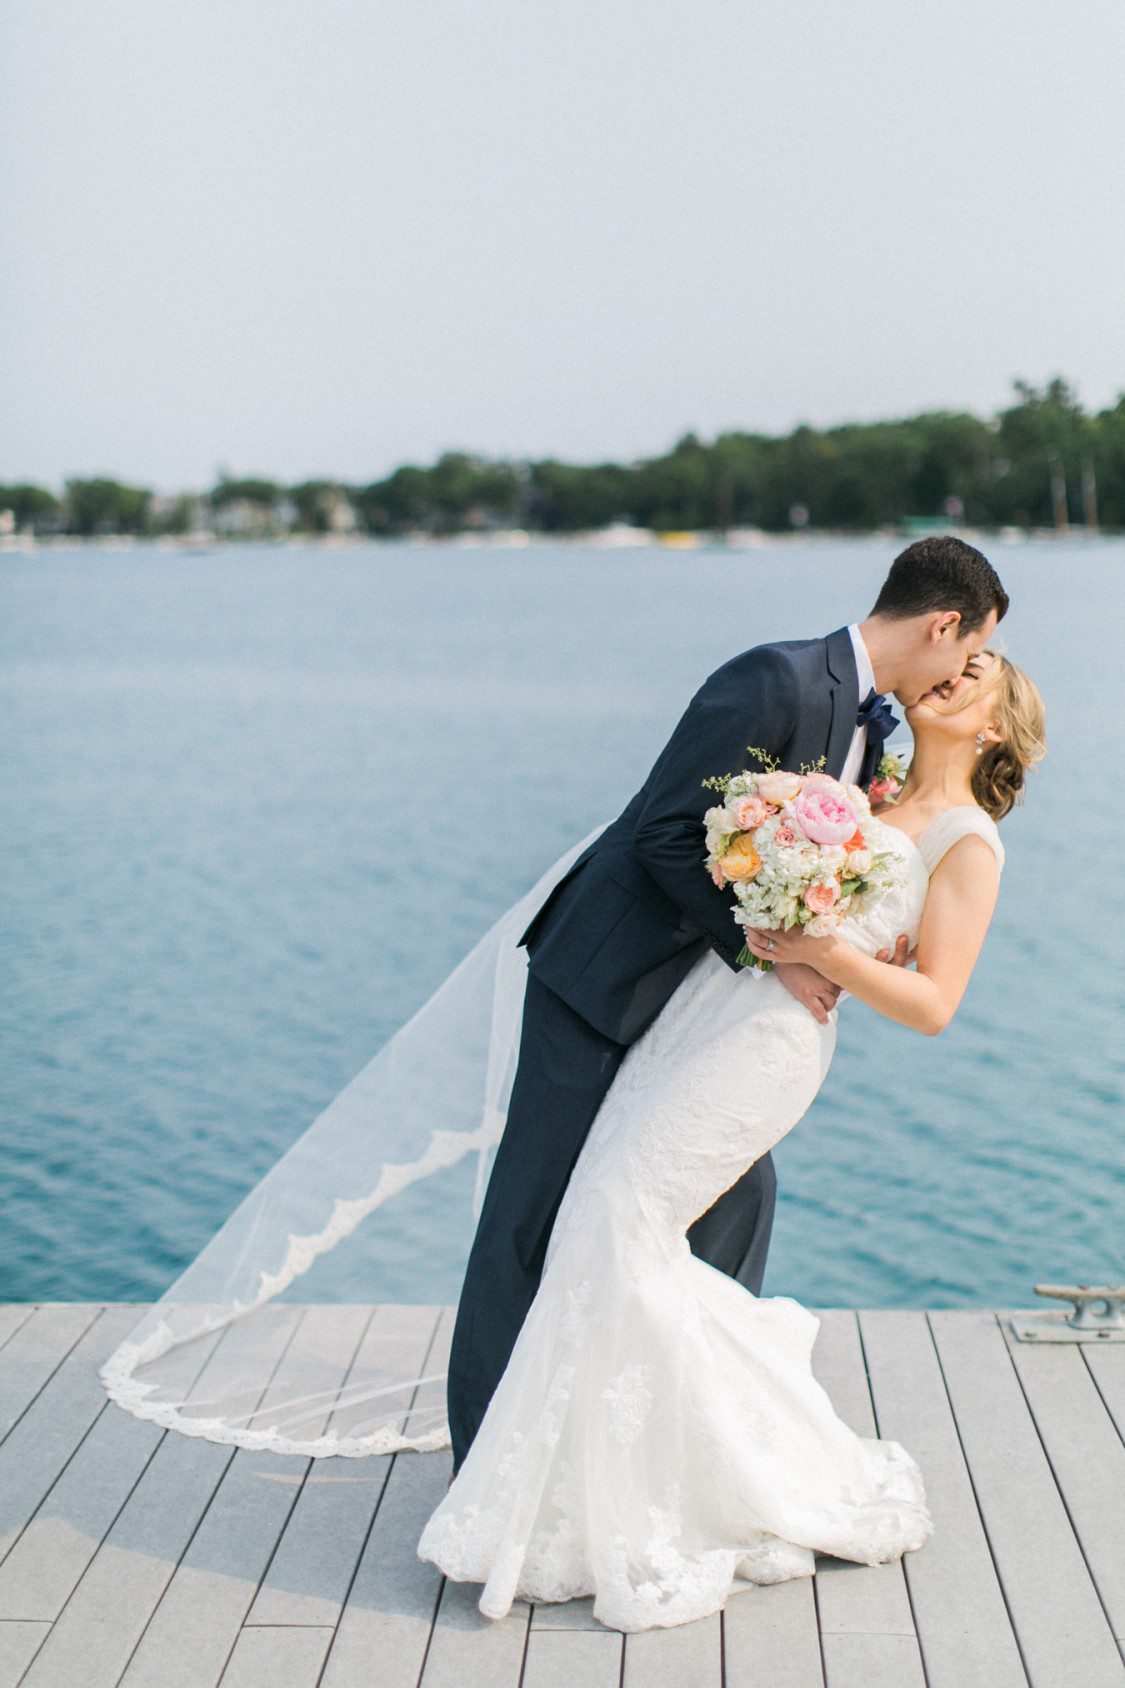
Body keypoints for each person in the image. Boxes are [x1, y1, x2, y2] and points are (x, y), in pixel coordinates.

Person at [418, 642, 1046, 1632]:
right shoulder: (870, 791)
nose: (954, 672)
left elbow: (933, 1002)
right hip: (707, 1016)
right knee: (603, 1214)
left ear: (996, 724)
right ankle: (601, 1463)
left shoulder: (969, 840)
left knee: (614, 1215)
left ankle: (696, 1471)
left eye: (979, 673)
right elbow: (779, 889)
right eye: (955, 656)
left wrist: (821, 948)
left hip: (774, 1044)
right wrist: (768, 889)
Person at [444, 536, 1010, 1476]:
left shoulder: (873, 733)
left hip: (709, 1015)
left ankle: (683, 1441)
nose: (964, 671)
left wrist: (848, 924)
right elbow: (665, 832)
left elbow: (832, 863)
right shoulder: (776, 679)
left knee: (736, 1204)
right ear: (943, 625)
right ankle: (483, 1466)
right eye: (969, 649)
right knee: (532, 1220)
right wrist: (774, 951)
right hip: (607, 983)